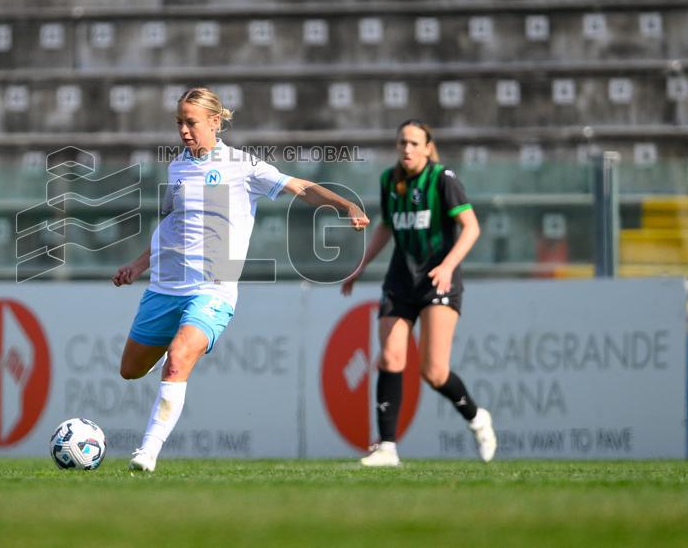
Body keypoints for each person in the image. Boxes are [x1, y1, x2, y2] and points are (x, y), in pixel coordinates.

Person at [113, 86, 370, 472]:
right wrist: (137, 264)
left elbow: (299, 187)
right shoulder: (177, 167)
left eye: (191, 122)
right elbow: (170, 229)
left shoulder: (242, 166)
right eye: (179, 123)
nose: (184, 130)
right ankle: (175, 342)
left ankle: (146, 453)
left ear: (216, 122)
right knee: (130, 370)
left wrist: (345, 204)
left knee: (178, 361)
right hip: (165, 287)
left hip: (212, 290)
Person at [341, 119, 496, 466]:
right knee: (390, 358)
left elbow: (471, 227)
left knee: (434, 372)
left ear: (428, 147)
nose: (407, 149)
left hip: (439, 281)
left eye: (414, 143)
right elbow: (386, 226)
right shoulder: (389, 180)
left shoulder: (443, 179)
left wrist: (447, 266)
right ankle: (386, 448)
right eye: (402, 143)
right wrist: (360, 266)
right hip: (400, 280)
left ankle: (476, 418)